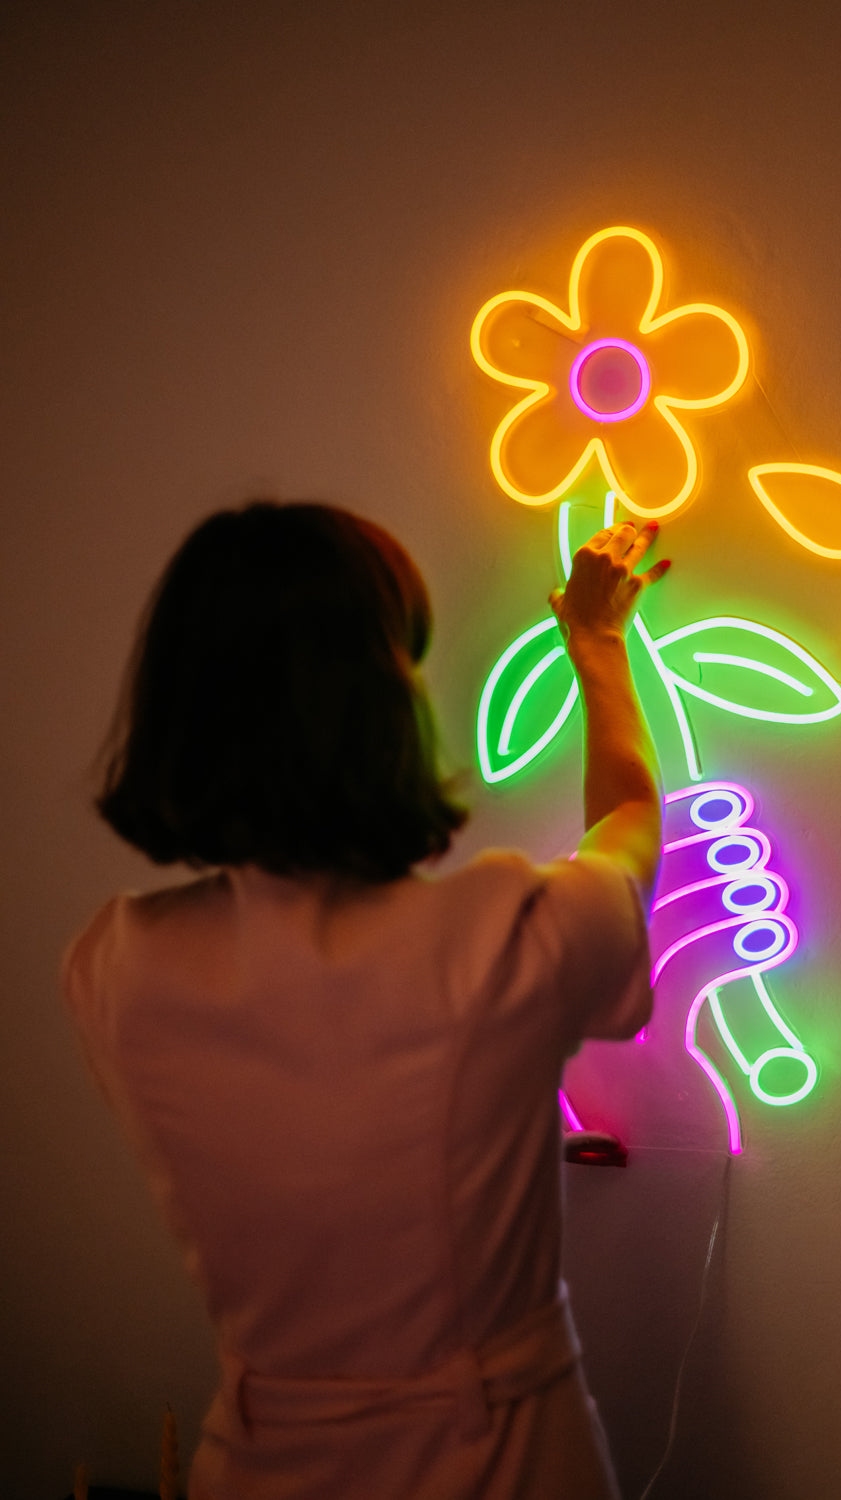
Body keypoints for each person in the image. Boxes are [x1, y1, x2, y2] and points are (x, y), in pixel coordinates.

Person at [61, 500, 669, 1500]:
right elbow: (631, 821)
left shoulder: (114, 970)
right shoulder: (505, 936)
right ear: (387, 702)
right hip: (507, 1465)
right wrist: (597, 644)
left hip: (257, 1464)